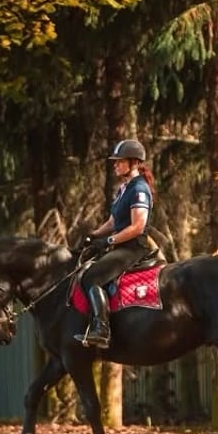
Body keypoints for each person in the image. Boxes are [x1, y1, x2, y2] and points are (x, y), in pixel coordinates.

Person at [75, 138, 156, 348]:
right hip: (121, 244)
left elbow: (138, 226)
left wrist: (108, 240)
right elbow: (113, 222)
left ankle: (101, 330)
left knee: (92, 277)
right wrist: (93, 235)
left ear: (135, 163)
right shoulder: (123, 189)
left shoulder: (140, 189)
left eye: (120, 161)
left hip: (134, 247)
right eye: (116, 161)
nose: (116, 164)